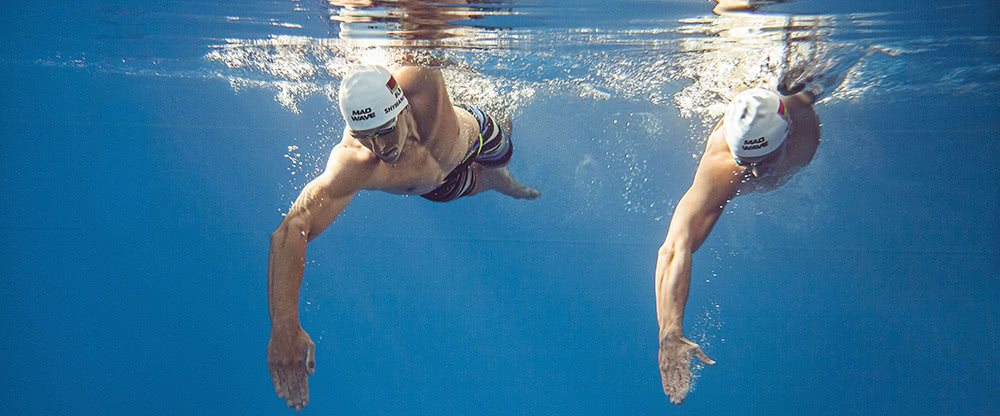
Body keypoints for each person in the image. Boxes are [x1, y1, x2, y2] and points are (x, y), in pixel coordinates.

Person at [267, 64, 540, 411]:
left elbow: (422, 33)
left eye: (384, 131)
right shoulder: (355, 162)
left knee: (501, 162)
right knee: (470, 185)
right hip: (438, 185)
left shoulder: (421, 86)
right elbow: (292, 228)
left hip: (478, 137)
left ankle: (505, 181)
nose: (379, 147)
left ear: (402, 107)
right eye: (365, 135)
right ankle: (499, 184)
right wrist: (284, 325)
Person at [655, 84, 821, 404]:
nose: (754, 172)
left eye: (762, 161)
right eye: (745, 162)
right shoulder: (724, 162)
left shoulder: (802, 121)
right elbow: (674, 247)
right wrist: (669, 331)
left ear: (785, 137)